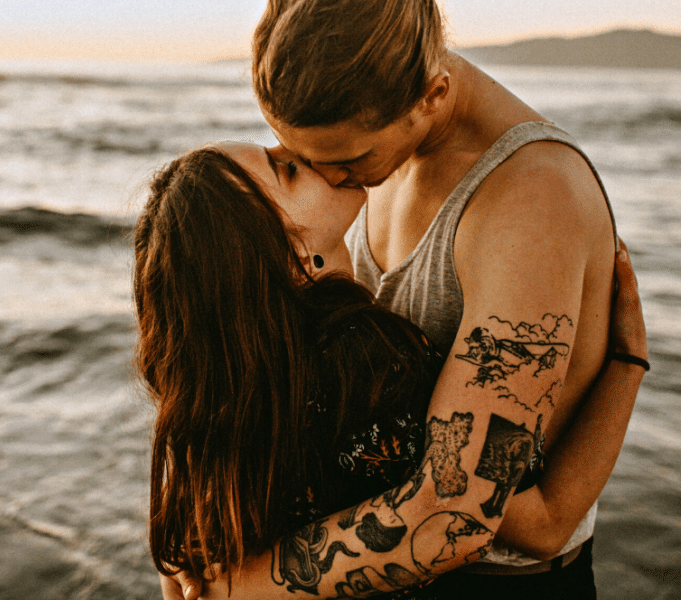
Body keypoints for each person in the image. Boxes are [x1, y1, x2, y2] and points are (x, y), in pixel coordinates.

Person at [167, 0, 646, 597]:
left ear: (431, 93)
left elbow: (460, 510)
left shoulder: (528, 201)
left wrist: (242, 587)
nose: (334, 183)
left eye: (348, 162)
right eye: (296, 159)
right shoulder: (378, 145)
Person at [136, 143, 648, 600]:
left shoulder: (227, 404)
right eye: (287, 169)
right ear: (294, 253)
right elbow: (545, 521)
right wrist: (628, 362)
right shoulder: (374, 367)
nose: (301, 150)